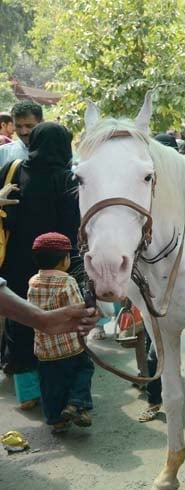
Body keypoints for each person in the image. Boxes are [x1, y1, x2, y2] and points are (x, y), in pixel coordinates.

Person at [0, 123, 81, 410]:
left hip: (16, 263)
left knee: (19, 324)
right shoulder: (67, 178)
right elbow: (73, 226)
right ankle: (62, 394)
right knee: (60, 325)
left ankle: (28, 393)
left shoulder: (14, 168)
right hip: (56, 265)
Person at [27, 232, 94, 433]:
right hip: (70, 345)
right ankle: (75, 404)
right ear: (64, 259)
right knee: (84, 370)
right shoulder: (67, 281)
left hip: (45, 349)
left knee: (50, 386)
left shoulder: (32, 281)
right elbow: (77, 310)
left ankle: (57, 421)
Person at [0, 101, 44, 168]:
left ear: (42, 123)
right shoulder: (3, 153)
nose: (23, 132)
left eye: (29, 126)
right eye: (18, 126)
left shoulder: (57, 153)